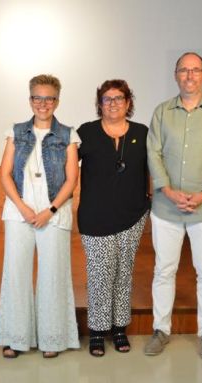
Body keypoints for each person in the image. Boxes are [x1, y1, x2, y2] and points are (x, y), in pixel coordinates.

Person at [144, 52, 202, 360]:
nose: (189, 75)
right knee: (163, 270)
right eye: (184, 70)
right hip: (166, 207)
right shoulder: (161, 112)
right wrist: (167, 190)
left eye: (195, 70)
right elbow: (153, 153)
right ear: (175, 75)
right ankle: (161, 329)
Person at [0, 74, 80, 358]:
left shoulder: (68, 134)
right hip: (19, 212)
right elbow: (5, 174)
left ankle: (52, 339)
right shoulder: (15, 132)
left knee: (52, 276)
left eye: (49, 98)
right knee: (16, 273)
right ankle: (16, 338)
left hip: (54, 214)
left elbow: (71, 181)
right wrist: (23, 207)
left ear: (57, 100)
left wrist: (50, 210)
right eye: (37, 98)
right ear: (30, 99)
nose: (43, 104)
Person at [77, 79, 150, 357]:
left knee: (124, 273)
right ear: (100, 104)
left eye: (119, 98)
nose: (113, 103)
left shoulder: (142, 132)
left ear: (128, 102)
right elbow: (68, 167)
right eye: (107, 99)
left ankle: (120, 327)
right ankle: (97, 330)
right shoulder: (86, 132)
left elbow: (153, 166)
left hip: (132, 215)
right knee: (99, 275)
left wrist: (150, 201)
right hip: (96, 217)